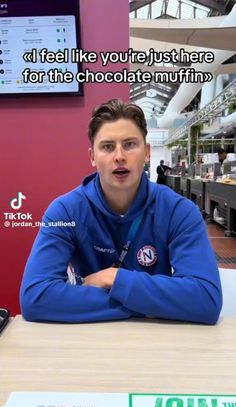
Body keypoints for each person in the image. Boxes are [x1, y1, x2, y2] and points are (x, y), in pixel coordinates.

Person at [20, 99, 222, 325]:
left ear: (146, 152)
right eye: (107, 147)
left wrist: (114, 278)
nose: (119, 156)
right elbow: (35, 297)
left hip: (160, 341)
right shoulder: (65, 212)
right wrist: (148, 304)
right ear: (92, 157)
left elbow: (206, 299)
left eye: (129, 144)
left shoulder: (179, 211)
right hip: (88, 338)